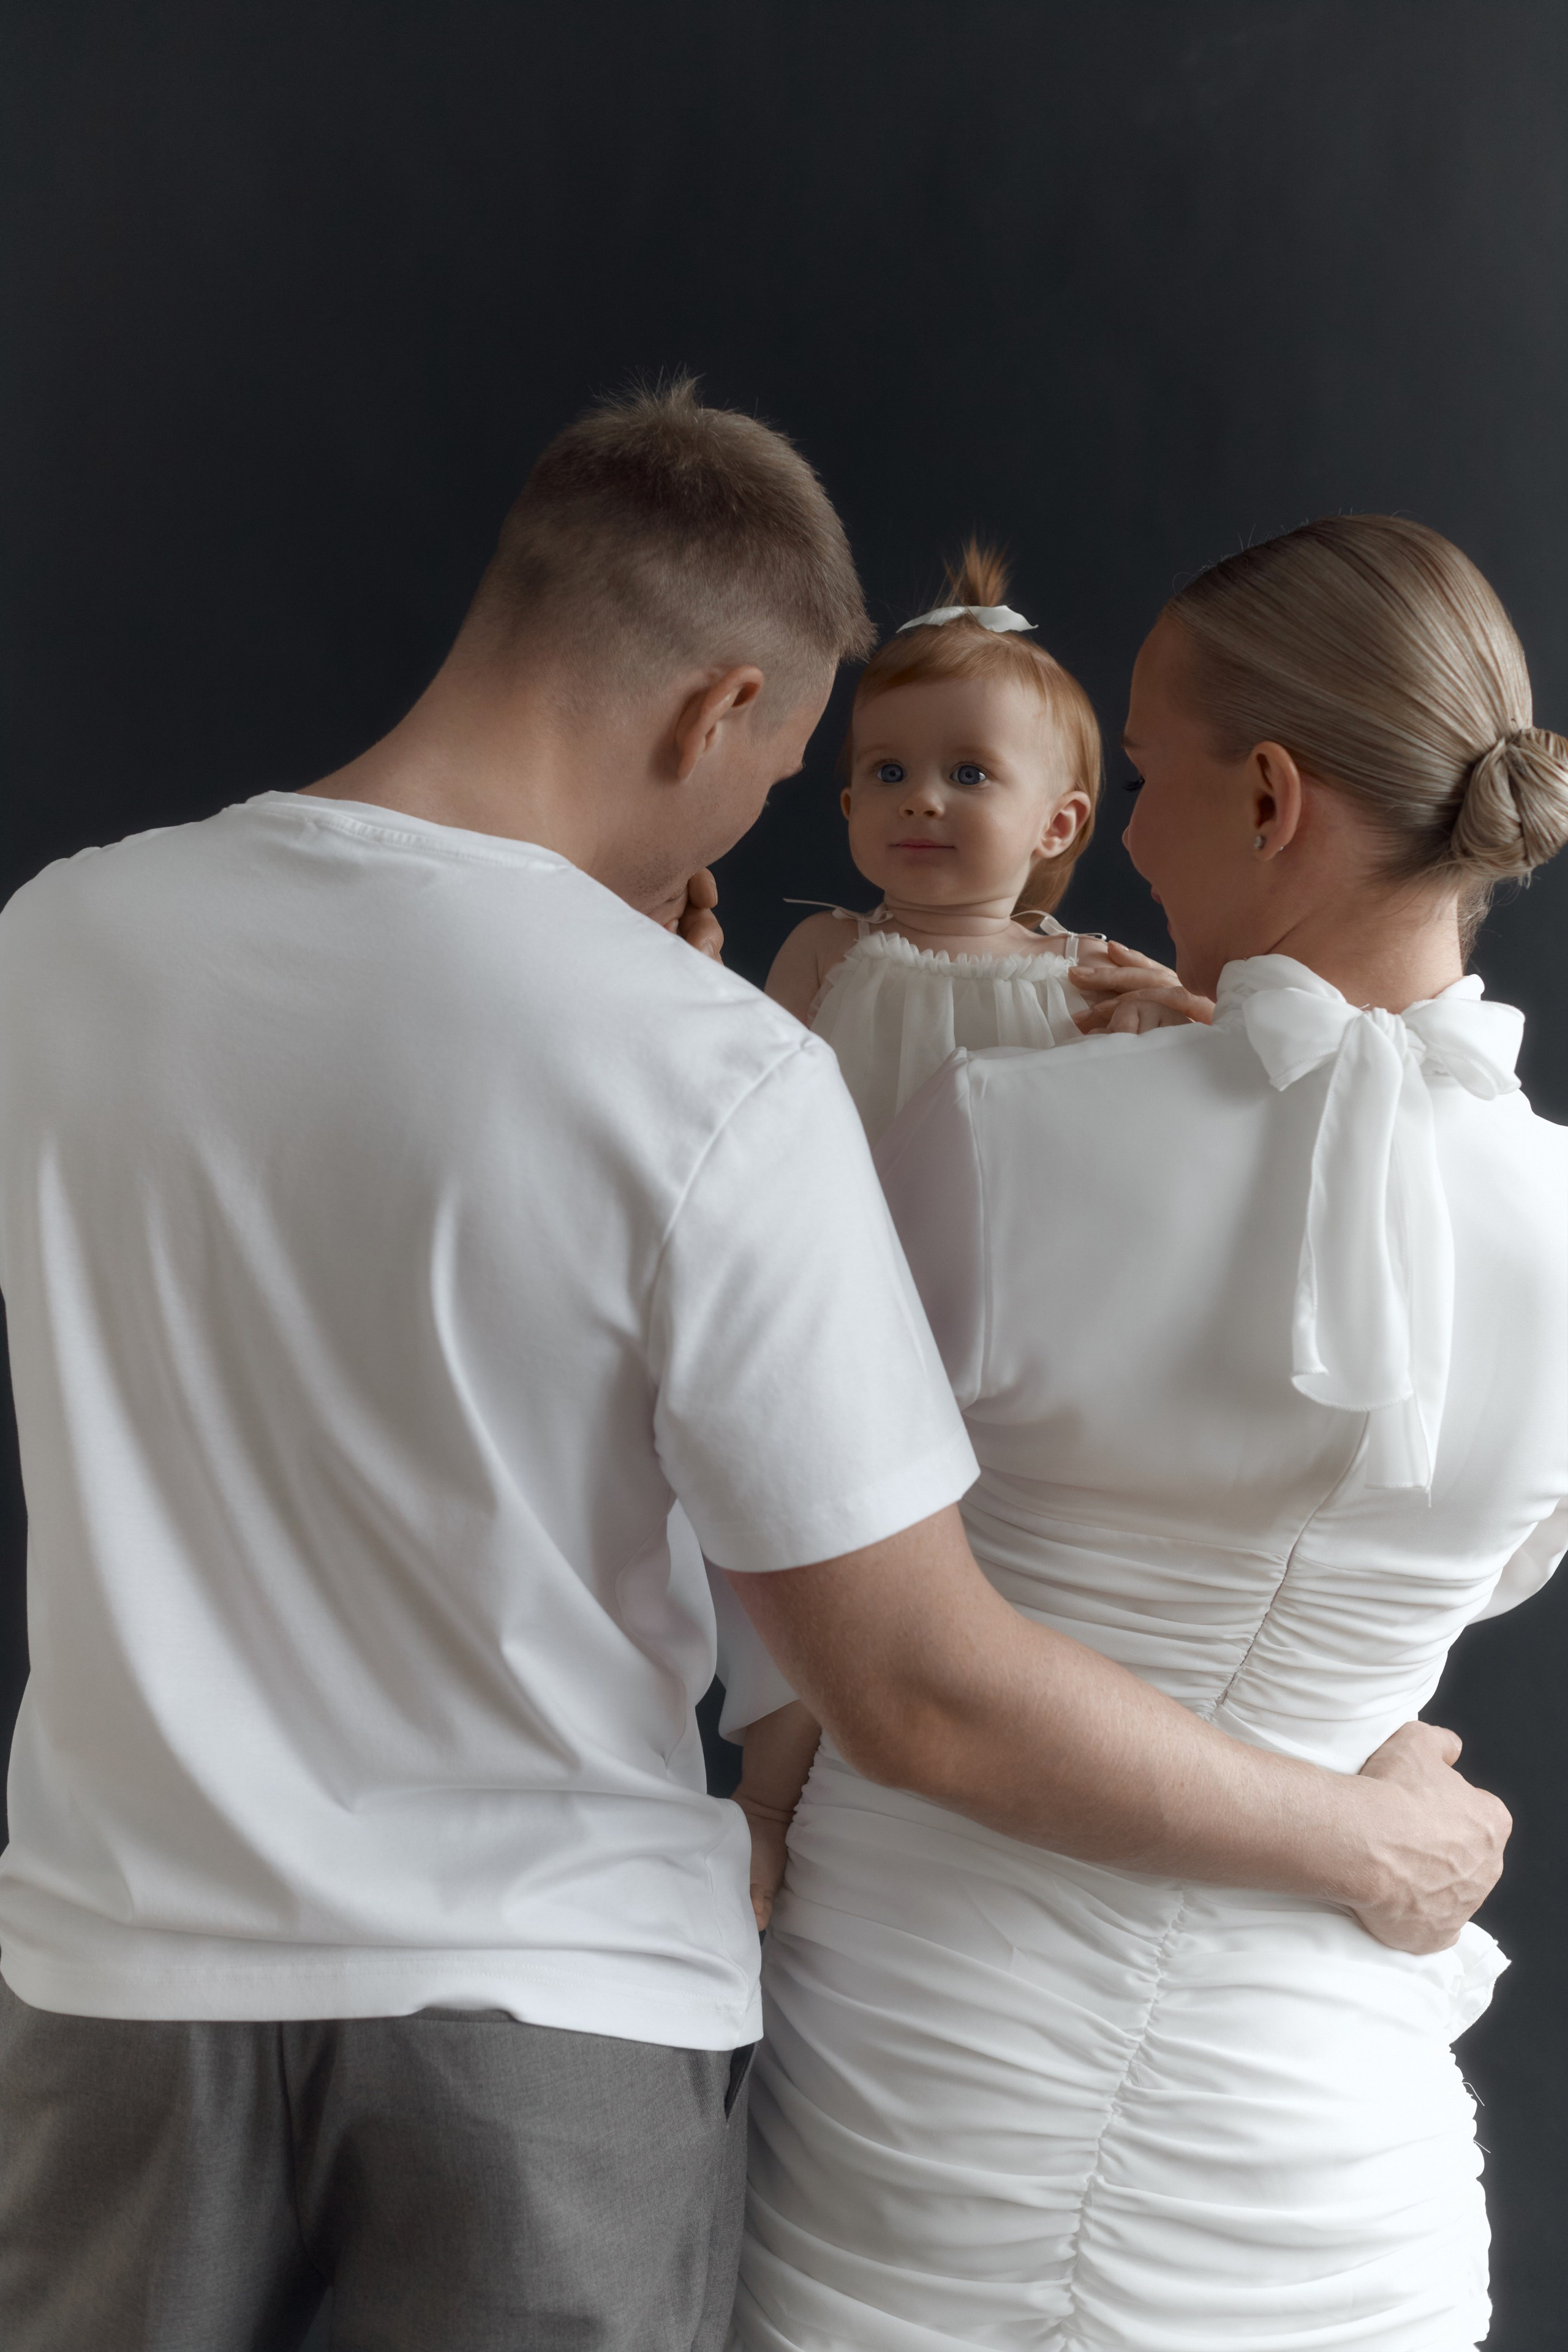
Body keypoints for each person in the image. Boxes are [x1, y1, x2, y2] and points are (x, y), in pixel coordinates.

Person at [0, 385, 1507, 2352]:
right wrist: (1359, 1835)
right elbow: (908, 1680)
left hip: (110, 1972)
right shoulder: (708, 1067)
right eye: (796, 763)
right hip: (552, 2016)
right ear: (718, 713)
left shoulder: (59, 938)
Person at [731, 515, 1568, 2352]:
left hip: (932, 2091)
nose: (1118, 824)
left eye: (1150, 763)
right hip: (1333, 2149)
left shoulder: (1005, 1138)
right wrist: (1367, 1826)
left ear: (1268, 796)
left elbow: (840, 1611)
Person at [763, 541, 1199, 1150]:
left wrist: (1177, 1023)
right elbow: (755, 1106)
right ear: (849, 808)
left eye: (969, 774)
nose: (919, 800)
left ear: (1056, 825)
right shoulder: (824, 953)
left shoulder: (1092, 975)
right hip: (848, 1237)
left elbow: (1158, 1135)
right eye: (889, 773)